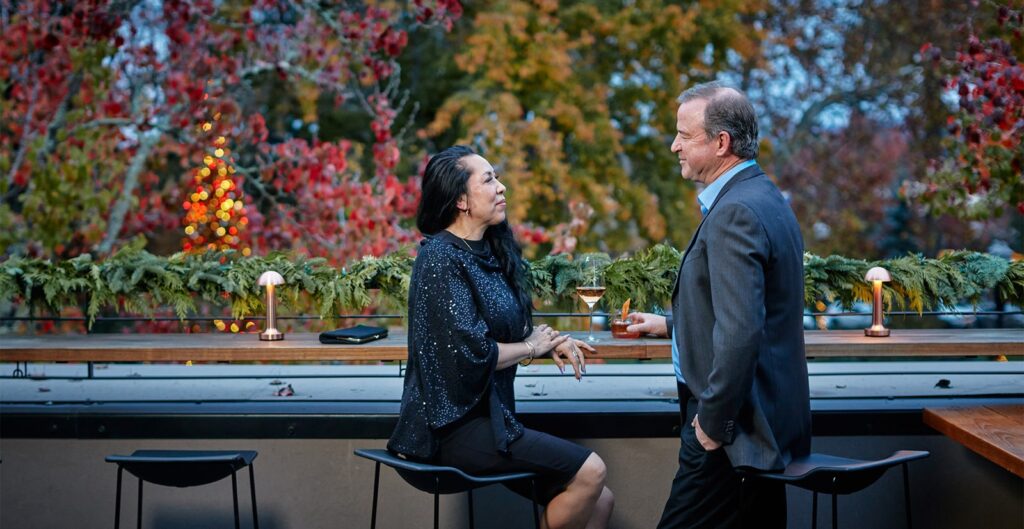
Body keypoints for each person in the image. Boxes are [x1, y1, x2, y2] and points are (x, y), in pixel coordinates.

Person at [388, 145, 615, 529]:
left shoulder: (490, 251)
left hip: (493, 418)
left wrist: (550, 341)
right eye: (490, 179)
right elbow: (470, 353)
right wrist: (531, 348)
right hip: (451, 429)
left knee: (601, 500)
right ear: (461, 199)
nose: (502, 187)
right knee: (591, 472)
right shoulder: (441, 257)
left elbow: (508, 329)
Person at [628, 82, 811, 529]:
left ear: (721, 142)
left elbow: (742, 332)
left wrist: (711, 426)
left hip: (734, 430)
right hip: (762, 423)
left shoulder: (735, 212)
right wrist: (671, 325)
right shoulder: (764, 197)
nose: (674, 146)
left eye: (684, 136)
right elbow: (746, 310)